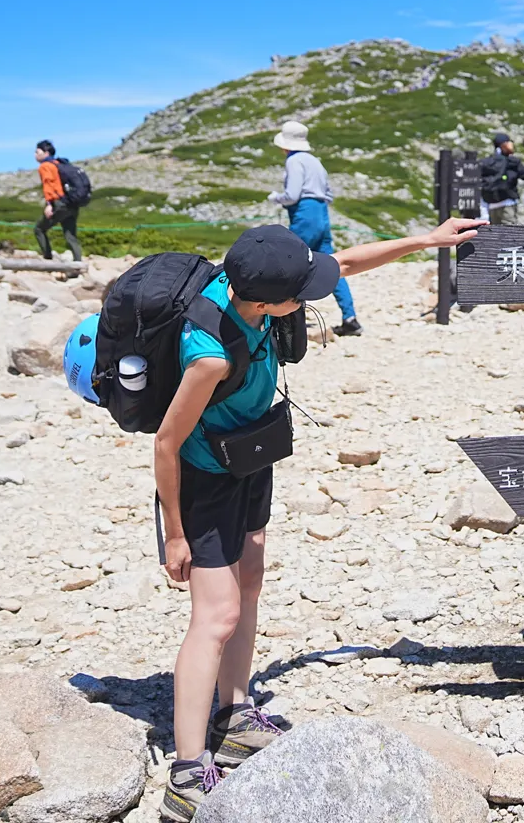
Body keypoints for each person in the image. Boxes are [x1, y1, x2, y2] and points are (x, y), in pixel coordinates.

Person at [154, 217, 485, 820]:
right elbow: (166, 443)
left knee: (249, 578)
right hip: (206, 480)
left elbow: (348, 265)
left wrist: (426, 240)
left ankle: (233, 715)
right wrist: (174, 533)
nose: (309, 299)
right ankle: (186, 768)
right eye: (299, 295)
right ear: (267, 301)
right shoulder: (207, 354)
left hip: (250, 455)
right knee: (216, 614)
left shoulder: (254, 288)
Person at [267, 121, 358, 336]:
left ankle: (287, 318)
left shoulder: (294, 161)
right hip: (321, 214)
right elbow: (328, 193)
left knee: (291, 262)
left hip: (304, 214)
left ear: (285, 144)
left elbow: (292, 195)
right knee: (332, 264)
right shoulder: (315, 161)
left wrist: (276, 198)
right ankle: (350, 318)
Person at [34, 140, 84, 262]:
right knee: (70, 235)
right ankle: (78, 263)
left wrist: (49, 204)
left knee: (39, 229)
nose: (35, 154)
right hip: (71, 203)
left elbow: (49, 185)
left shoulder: (45, 166)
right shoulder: (58, 164)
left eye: (37, 152)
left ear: (46, 153)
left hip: (59, 203)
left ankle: (47, 258)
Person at [478, 132, 524, 225]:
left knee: (494, 234)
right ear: (505, 144)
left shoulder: (488, 162)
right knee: (509, 234)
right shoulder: (512, 162)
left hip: (492, 204)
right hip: (508, 204)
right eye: (510, 142)